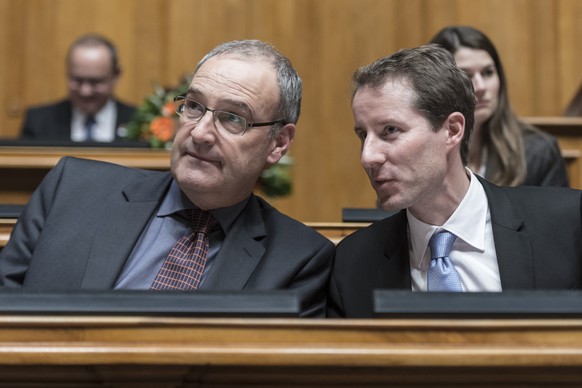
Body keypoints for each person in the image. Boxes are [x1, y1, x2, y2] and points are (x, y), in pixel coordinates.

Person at [0, 39, 335, 317]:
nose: (201, 133)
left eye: (233, 118)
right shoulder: (72, 189)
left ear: (278, 144)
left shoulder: (299, 260)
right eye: (194, 106)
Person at [327, 44, 582, 318]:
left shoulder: (568, 224)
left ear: (452, 130)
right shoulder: (353, 263)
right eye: (363, 135)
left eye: (390, 130)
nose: (368, 157)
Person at [430, 26, 568, 187]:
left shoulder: (538, 154)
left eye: (488, 73)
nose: (480, 87)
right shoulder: (418, 153)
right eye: (466, 76)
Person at [20, 34, 136, 143]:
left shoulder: (140, 121)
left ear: (116, 75)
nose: (85, 91)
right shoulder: (39, 121)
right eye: (77, 80)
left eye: (95, 81)